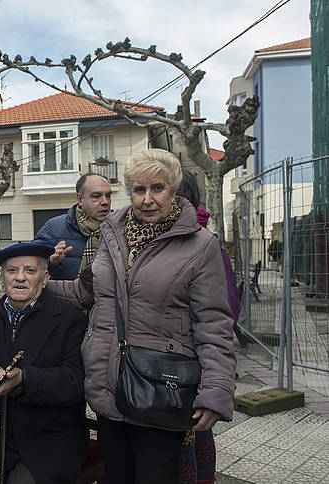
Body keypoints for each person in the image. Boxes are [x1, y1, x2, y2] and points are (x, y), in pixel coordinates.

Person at [48, 149, 236, 484]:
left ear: (173, 190)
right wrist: (35, 286)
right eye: (139, 190)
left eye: (157, 188)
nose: (147, 199)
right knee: (116, 476)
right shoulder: (112, 234)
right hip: (109, 385)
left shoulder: (200, 244)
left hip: (161, 389)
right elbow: (85, 291)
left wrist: (217, 389)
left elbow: (214, 323)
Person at [0, 242, 88, 484]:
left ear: (44, 278)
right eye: (12, 271)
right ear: (2, 278)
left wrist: (25, 379)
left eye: (29, 271)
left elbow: (76, 382)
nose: (20, 278)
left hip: (51, 434)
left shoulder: (69, 319)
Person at [176, 170, 242, 484]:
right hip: (194, 367)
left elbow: (222, 317)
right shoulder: (210, 243)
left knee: (186, 441)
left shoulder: (199, 247)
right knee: (198, 438)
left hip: (186, 367)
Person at [33, 173, 111, 279]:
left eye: (108, 195)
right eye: (96, 196)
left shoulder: (118, 228)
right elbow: (30, 266)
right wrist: (50, 261)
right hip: (65, 294)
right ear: (80, 199)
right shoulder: (53, 229)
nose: (105, 202)